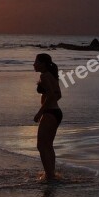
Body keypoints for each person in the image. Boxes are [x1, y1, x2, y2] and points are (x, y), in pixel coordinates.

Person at [33, 53, 62, 181]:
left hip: (50, 112)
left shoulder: (44, 76)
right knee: (48, 145)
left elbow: (51, 95)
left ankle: (49, 175)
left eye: (36, 62)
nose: (34, 64)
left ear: (43, 64)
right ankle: (51, 173)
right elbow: (58, 95)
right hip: (56, 112)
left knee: (41, 145)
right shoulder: (51, 76)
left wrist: (40, 112)